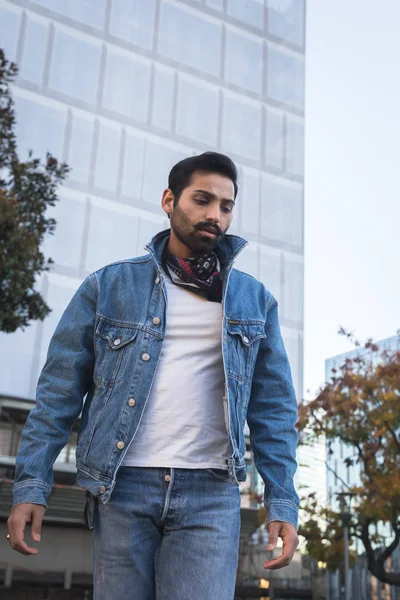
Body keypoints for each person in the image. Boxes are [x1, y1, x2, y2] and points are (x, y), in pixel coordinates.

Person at [7, 152, 299, 599]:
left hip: (212, 492)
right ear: (169, 200)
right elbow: (59, 393)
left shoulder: (253, 300)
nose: (214, 215)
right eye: (202, 200)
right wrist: (33, 484)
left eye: (225, 206)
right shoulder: (109, 286)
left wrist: (281, 499)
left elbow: (274, 410)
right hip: (123, 486)